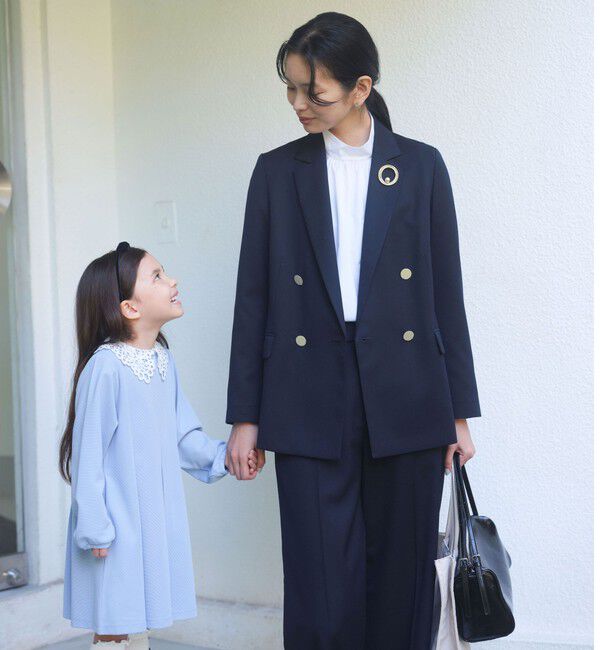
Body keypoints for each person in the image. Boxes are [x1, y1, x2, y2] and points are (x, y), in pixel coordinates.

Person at [225, 11, 481, 649]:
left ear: (361, 88)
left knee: (403, 578)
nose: (298, 104)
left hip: (408, 392)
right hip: (306, 390)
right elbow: (253, 300)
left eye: (314, 93)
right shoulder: (276, 171)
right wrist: (245, 417)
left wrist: (457, 414)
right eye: (290, 89)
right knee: (319, 581)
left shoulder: (420, 167)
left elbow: (445, 296)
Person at [59, 243, 257, 649]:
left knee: (140, 617)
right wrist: (95, 528)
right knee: (114, 620)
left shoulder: (163, 360)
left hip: (152, 520)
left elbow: (182, 435)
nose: (172, 281)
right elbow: (88, 454)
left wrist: (225, 457)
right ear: (130, 307)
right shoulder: (106, 367)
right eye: (157, 276)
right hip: (114, 526)